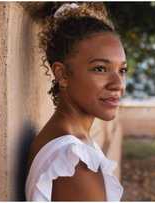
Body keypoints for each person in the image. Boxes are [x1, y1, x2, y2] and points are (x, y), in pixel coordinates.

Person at [25, 3, 124, 201]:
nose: (118, 84)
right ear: (62, 75)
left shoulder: (68, 141)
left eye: (122, 70)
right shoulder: (73, 163)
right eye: (100, 69)